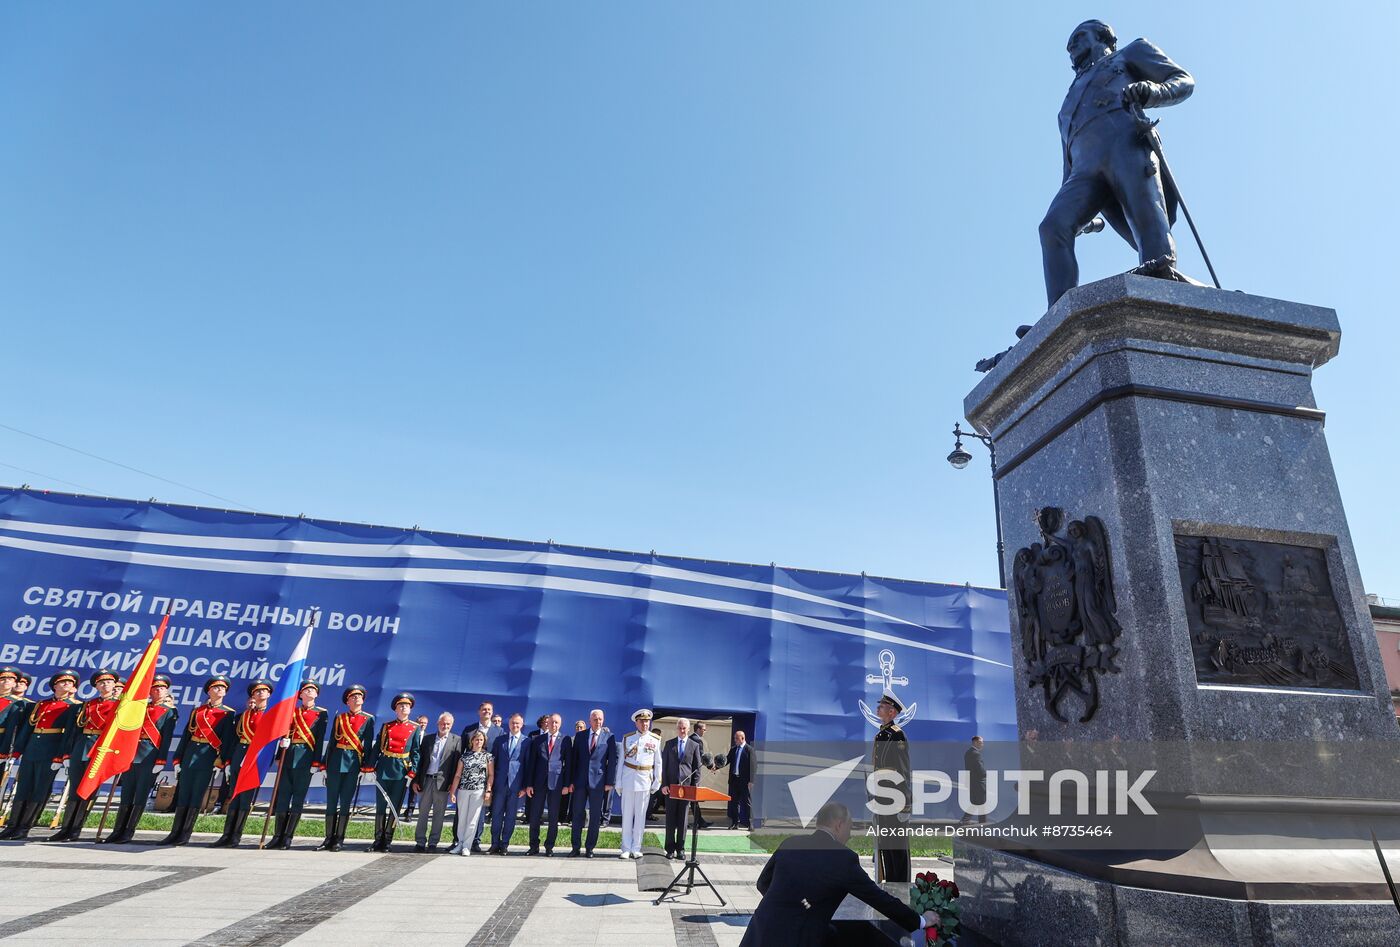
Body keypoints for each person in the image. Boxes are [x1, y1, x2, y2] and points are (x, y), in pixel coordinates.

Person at [1040, 19, 1195, 306]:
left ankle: (1161, 276)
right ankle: (1059, 312)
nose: (1071, 46)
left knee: (1146, 216)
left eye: (1079, 36)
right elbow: (1068, 165)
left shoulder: (1129, 53)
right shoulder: (1065, 107)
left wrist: (1153, 91)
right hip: (1085, 173)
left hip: (1127, 144)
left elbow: (1183, 80)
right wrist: (1081, 216)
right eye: (1069, 45)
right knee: (1052, 226)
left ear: (1103, 36)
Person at [740, 801, 936, 947]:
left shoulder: (790, 843)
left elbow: (763, 883)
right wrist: (922, 920)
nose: (850, 835)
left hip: (757, 934)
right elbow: (879, 899)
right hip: (797, 939)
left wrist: (797, 905)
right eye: (850, 827)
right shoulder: (843, 858)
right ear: (839, 825)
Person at [0, 669, 81, 841]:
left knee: (40, 790)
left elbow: (69, 735)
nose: (66, 684)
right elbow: (27, 729)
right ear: (54, 686)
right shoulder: (41, 704)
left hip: (50, 751)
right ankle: (12, 825)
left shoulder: (74, 706)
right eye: (62, 682)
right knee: (23, 788)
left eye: (70, 683)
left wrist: (61, 756)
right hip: (32, 749)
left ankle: (25, 826)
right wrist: (17, 751)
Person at [100, 673, 179, 844]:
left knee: (140, 794)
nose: (158, 691)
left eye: (162, 688)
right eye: (155, 688)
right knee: (127, 794)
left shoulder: (169, 712)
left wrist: (160, 760)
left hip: (149, 757)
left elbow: (166, 738)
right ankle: (117, 830)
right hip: (131, 753)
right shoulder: (139, 707)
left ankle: (129, 831)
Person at [159, 675, 235, 847]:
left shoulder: (228, 714)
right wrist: (178, 759)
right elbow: (186, 736)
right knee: (183, 795)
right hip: (190, 756)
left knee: (196, 797)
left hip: (208, 757)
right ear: (209, 691)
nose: (220, 690)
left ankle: (185, 833)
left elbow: (227, 741)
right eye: (216, 687)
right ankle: (175, 832)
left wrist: (220, 762)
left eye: (223, 688)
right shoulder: (198, 711)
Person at [49, 670, 121, 841]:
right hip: (80, 749)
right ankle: (65, 828)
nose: (105, 685)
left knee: (88, 792)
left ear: (114, 685)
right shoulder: (87, 705)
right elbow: (73, 732)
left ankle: (76, 829)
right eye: (101, 683)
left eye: (109, 682)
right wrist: (66, 754)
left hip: (99, 751)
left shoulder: (118, 706)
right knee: (74, 790)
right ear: (96, 686)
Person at [211, 680, 272, 848]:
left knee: (245, 799)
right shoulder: (245, 715)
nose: (259, 694)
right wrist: (229, 762)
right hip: (239, 755)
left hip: (254, 758)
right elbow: (234, 740)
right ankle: (226, 835)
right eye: (256, 692)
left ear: (268, 695)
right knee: (234, 795)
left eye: (263, 691)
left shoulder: (270, 715)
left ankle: (236, 835)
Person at [267, 679, 327, 849]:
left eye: (312, 690)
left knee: (298, 799)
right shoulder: (291, 711)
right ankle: (277, 835)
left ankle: (287, 837)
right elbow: (283, 733)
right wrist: (280, 753)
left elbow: (320, 738)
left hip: (306, 759)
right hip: (288, 755)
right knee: (283, 798)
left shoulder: (321, 713)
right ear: (300, 694)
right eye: (305, 690)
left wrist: (316, 761)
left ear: (316, 694)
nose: (308, 692)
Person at [319, 684, 375, 852]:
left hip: (353, 764)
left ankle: (339, 839)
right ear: (347, 701)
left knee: (345, 803)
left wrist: (365, 767)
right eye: (353, 696)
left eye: (359, 696)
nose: (356, 698)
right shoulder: (340, 717)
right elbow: (332, 742)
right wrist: (325, 764)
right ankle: (328, 838)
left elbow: (367, 746)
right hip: (335, 762)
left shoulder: (368, 719)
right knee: (331, 802)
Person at [371, 692, 421, 853]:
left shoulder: (415, 728)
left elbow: (416, 752)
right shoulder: (387, 726)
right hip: (384, 768)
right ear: (396, 709)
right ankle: (377, 839)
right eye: (401, 705)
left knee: (395, 807)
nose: (404, 707)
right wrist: (369, 766)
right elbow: (377, 747)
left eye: (407, 705)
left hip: (401, 771)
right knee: (380, 806)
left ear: (410, 709)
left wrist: (412, 772)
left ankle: (388, 839)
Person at [870, 694, 911, 883]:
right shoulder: (881, 734)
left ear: (892, 711)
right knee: (885, 842)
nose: (878, 709)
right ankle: (890, 881)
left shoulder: (897, 735)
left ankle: (900, 884)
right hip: (882, 795)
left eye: (882, 706)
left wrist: (905, 803)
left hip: (895, 797)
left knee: (897, 844)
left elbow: (903, 770)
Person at [566, 708, 615, 858]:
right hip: (580, 782)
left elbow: (612, 761)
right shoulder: (580, 736)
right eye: (595, 719)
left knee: (595, 816)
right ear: (590, 720)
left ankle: (590, 848)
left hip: (598, 783)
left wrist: (609, 782)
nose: (598, 722)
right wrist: (571, 781)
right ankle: (575, 847)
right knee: (577, 815)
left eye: (600, 719)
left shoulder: (609, 737)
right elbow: (573, 761)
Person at [616, 708, 661, 859]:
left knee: (641, 817)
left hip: (644, 780)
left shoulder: (655, 739)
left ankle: (636, 847)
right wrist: (618, 782)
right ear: (636, 723)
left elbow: (658, 763)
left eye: (647, 721)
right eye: (642, 722)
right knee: (627, 816)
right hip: (628, 779)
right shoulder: (627, 738)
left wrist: (657, 780)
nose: (645, 724)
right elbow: (621, 761)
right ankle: (625, 848)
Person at [458, 701, 502, 853]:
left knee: (480, 812)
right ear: (479, 712)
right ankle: (459, 840)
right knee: (462, 812)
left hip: (487, 778)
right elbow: (462, 753)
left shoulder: (499, 731)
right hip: (467, 780)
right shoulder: (469, 730)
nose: (487, 712)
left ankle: (476, 840)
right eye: (484, 709)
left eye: (489, 710)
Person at [413, 711, 460, 852]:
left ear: (451, 725)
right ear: (438, 724)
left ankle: (433, 842)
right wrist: (416, 780)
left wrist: (452, 785)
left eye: (448, 724)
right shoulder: (428, 739)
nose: (445, 726)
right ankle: (420, 842)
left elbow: (455, 764)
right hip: (426, 780)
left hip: (443, 783)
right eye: (443, 723)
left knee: (439, 814)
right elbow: (420, 761)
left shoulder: (456, 740)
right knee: (423, 813)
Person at [523, 712, 566, 856]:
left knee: (553, 817)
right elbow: (531, 764)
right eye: (551, 722)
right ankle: (534, 846)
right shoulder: (538, 740)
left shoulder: (565, 740)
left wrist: (566, 784)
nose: (553, 725)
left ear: (560, 724)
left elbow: (569, 763)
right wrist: (529, 784)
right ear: (546, 723)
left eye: (556, 723)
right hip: (538, 783)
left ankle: (549, 847)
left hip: (556, 783)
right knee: (535, 816)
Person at [660, 718, 702, 859]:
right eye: (680, 728)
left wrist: (694, 787)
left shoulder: (694, 745)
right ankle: (670, 849)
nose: (682, 731)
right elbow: (663, 767)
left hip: (686, 789)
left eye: (684, 728)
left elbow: (697, 769)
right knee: (670, 819)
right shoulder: (669, 744)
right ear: (676, 729)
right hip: (671, 788)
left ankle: (681, 849)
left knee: (683, 820)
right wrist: (664, 785)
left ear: (688, 729)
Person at [487, 713, 527, 854]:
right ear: (508, 724)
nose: (515, 725)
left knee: (510, 816)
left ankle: (504, 844)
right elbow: (493, 762)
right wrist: (490, 784)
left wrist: (524, 786)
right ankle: (494, 843)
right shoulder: (500, 740)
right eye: (512, 723)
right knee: (496, 814)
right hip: (499, 784)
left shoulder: (526, 741)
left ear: (522, 724)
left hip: (516, 786)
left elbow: (527, 765)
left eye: (517, 723)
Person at [447, 728, 491, 856]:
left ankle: (467, 846)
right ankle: (459, 843)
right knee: (462, 818)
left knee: (473, 819)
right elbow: (457, 775)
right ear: (472, 741)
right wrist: (452, 792)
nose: (479, 742)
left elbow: (491, 775)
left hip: (478, 791)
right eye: (476, 739)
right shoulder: (464, 756)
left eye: (481, 740)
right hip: (463, 790)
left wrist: (488, 789)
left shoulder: (488, 757)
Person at [402, 713, 430, 818]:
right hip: (406, 766)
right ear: (416, 723)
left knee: (414, 791)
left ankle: (410, 812)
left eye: (425, 723)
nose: (422, 725)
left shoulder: (428, 738)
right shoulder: (410, 734)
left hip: (419, 769)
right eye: (421, 723)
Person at [727, 730, 754, 829]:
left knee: (747, 803)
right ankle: (735, 823)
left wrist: (751, 781)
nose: (735, 740)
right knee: (734, 803)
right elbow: (727, 760)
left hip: (745, 781)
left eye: (736, 738)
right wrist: (716, 767)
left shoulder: (749, 750)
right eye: (734, 738)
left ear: (742, 738)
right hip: (734, 780)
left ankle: (750, 823)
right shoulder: (734, 750)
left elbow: (753, 766)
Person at [689, 721, 713, 829]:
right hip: (694, 774)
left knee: (691, 799)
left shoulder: (689, 738)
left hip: (687, 773)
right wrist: (711, 766)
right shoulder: (697, 740)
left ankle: (699, 821)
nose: (705, 731)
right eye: (704, 729)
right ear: (698, 729)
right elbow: (702, 757)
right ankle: (699, 822)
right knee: (694, 798)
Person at [962, 735, 988, 825]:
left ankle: (965, 820)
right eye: (981, 743)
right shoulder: (976, 754)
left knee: (976, 803)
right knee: (981, 803)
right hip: (978, 783)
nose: (982, 745)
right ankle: (983, 823)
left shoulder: (968, 752)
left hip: (972, 782)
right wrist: (985, 774)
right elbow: (980, 769)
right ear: (975, 742)